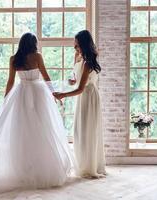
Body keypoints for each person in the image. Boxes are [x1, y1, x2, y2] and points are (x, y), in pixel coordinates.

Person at [0, 32, 75, 189]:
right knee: (43, 129)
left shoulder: (14, 59)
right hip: (38, 93)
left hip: (20, 94)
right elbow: (46, 77)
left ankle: (24, 169)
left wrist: (6, 100)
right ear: (33, 44)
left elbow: (11, 82)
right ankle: (42, 167)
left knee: (22, 131)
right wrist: (53, 94)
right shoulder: (37, 56)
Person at [54, 30, 106, 178]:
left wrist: (63, 94)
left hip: (89, 96)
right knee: (80, 130)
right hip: (82, 97)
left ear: (84, 44)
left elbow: (81, 87)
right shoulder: (78, 57)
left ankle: (90, 166)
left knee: (88, 130)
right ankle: (82, 163)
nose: (75, 48)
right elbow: (77, 80)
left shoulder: (89, 62)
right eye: (74, 45)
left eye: (77, 45)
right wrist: (72, 81)